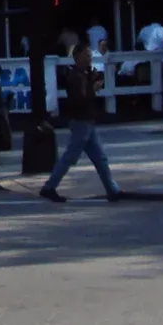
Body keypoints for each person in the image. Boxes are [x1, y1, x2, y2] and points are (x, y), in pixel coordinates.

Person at [41, 33, 123, 203]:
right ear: (77, 57)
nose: (89, 58)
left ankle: (112, 190)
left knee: (100, 158)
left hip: (87, 122)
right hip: (81, 122)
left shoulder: (83, 74)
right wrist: (93, 87)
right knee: (70, 157)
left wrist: (92, 83)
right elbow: (80, 100)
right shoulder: (76, 77)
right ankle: (49, 187)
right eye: (86, 55)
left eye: (90, 55)